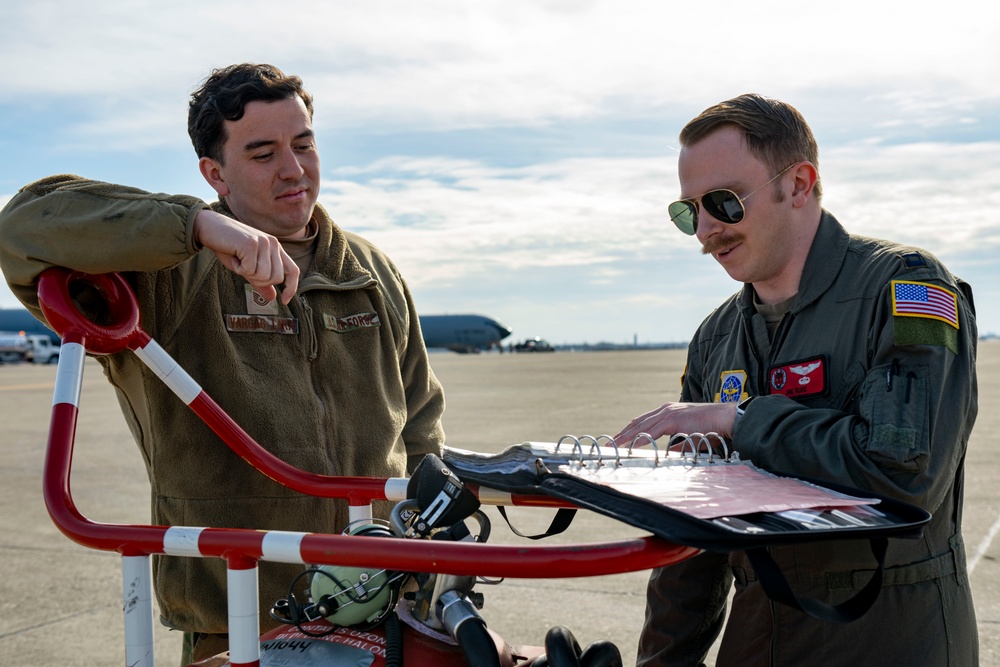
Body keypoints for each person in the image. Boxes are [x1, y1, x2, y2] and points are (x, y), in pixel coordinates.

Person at [0, 63, 446, 663]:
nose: (293, 169)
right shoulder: (167, 275)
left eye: (303, 144)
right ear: (215, 174)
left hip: (384, 605)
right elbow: (24, 224)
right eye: (263, 154)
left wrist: (421, 556)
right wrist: (198, 226)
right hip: (239, 613)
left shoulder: (369, 273)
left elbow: (420, 426)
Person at [615, 94, 978, 666]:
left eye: (724, 202)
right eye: (688, 212)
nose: (705, 229)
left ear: (799, 185)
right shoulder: (715, 338)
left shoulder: (908, 288)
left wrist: (740, 421)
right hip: (758, 641)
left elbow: (905, 475)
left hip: (889, 641)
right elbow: (693, 543)